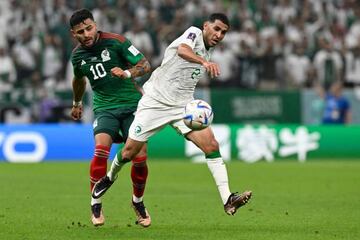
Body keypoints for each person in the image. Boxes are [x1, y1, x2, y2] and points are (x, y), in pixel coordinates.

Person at [92, 13, 252, 227]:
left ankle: (228, 199)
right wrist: (204, 61)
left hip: (183, 107)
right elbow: (183, 51)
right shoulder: (194, 33)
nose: (219, 34)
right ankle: (110, 177)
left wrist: (204, 60)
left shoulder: (210, 47)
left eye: (223, 32)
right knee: (129, 152)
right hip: (155, 101)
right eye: (216, 29)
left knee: (211, 145)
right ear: (206, 26)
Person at [69, 9, 151, 227]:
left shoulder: (117, 42)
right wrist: (76, 103)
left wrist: (126, 73)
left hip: (133, 106)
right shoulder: (77, 56)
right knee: (100, 149)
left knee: (140, 157)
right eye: (80, 32)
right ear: (73, 34)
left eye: (89, 28)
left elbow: (145, 64)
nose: (86, 34)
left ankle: (138, 202)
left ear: (95, 25)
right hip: (105, 108)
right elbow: (79, 80)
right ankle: (95, 203)